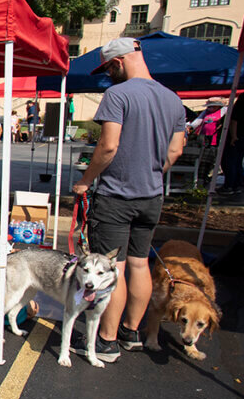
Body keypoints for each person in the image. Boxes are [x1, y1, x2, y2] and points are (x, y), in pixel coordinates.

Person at [72, 37, 185, 362]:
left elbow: (108, 146)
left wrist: (85, 181)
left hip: (116, 195)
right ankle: (131, 332)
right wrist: (152, 172)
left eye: (109, 68)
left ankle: (105, 340)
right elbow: (174, 151)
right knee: (139, 263)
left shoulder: (118, 94)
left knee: (114, 267)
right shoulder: (172, 99)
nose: (108, 75)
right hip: (152, 195)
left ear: (119, 62)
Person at [218, 98, 244, 195]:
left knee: (229, 161)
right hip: (242, 138)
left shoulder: (239, 106)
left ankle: (229, 185)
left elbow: (234, 121)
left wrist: (233, 136)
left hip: (235, 138)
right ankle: (236, 185)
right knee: (237, 162)